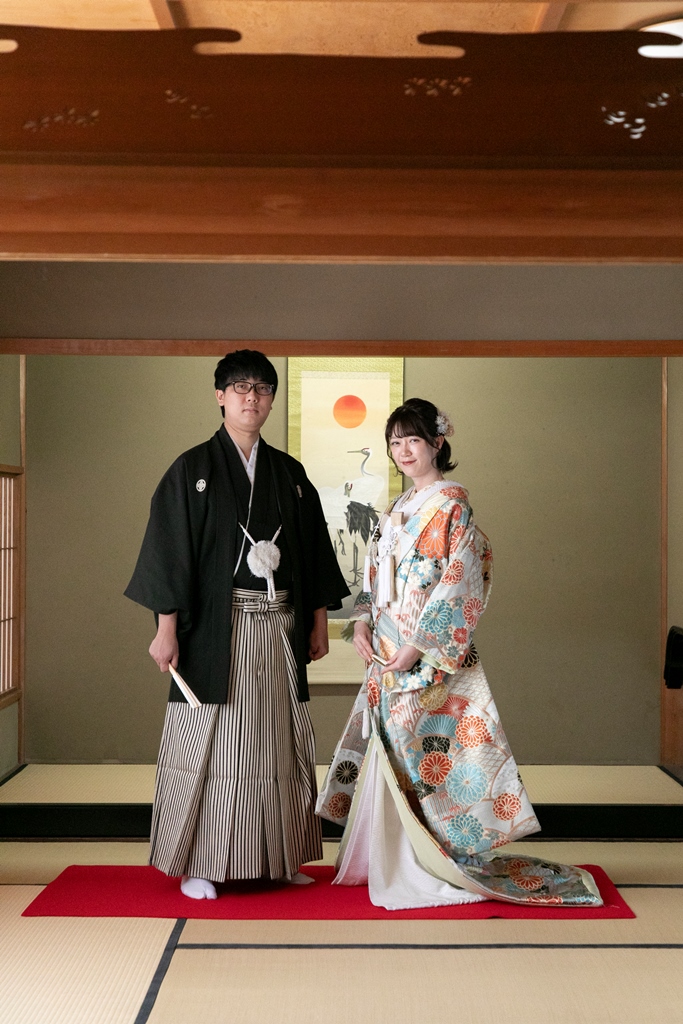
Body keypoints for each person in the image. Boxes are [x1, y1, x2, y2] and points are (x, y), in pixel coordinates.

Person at [317, 398, 601, 909]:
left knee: (428, 756)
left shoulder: (452, 507)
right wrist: (360, 621)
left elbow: (460, 581)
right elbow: (374, 577)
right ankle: (390, 856)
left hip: (427, 654)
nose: (403, 451)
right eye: (395, 442)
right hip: (386, 650)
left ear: (437, 443)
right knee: (390, 748)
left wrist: (419, 645)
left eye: (413, 440)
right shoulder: (398, 507)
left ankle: (429, 862)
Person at [126, 350, 350, 899]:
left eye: (262, 388)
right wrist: (165, 628)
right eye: (240, 387)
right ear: (220, 396)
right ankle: (202, 862)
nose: (252, 397)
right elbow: (170, 551)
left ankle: (280, 856)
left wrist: (319, 622)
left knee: (278, 738)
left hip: (279, 626)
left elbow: (312, 553)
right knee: (216, 742)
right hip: (215, 630)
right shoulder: (192, 470)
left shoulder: (289, 474)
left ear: (271, 400)